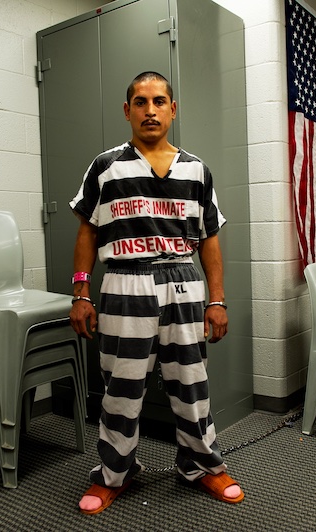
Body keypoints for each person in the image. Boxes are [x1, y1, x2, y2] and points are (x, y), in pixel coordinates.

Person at [68, 71, 243, 515]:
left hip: (183, 281)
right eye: (141, 102)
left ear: (173, 109)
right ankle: (115, 473)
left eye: (159, 101)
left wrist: (217, 300)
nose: (151, 110)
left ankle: (201, 466)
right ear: (127, 110)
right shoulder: (106, 166)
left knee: (191, 384)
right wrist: (81, 293)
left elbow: (209, 239)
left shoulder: (196, 170)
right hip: (125, 282)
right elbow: (88, 231)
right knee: (121, 389)